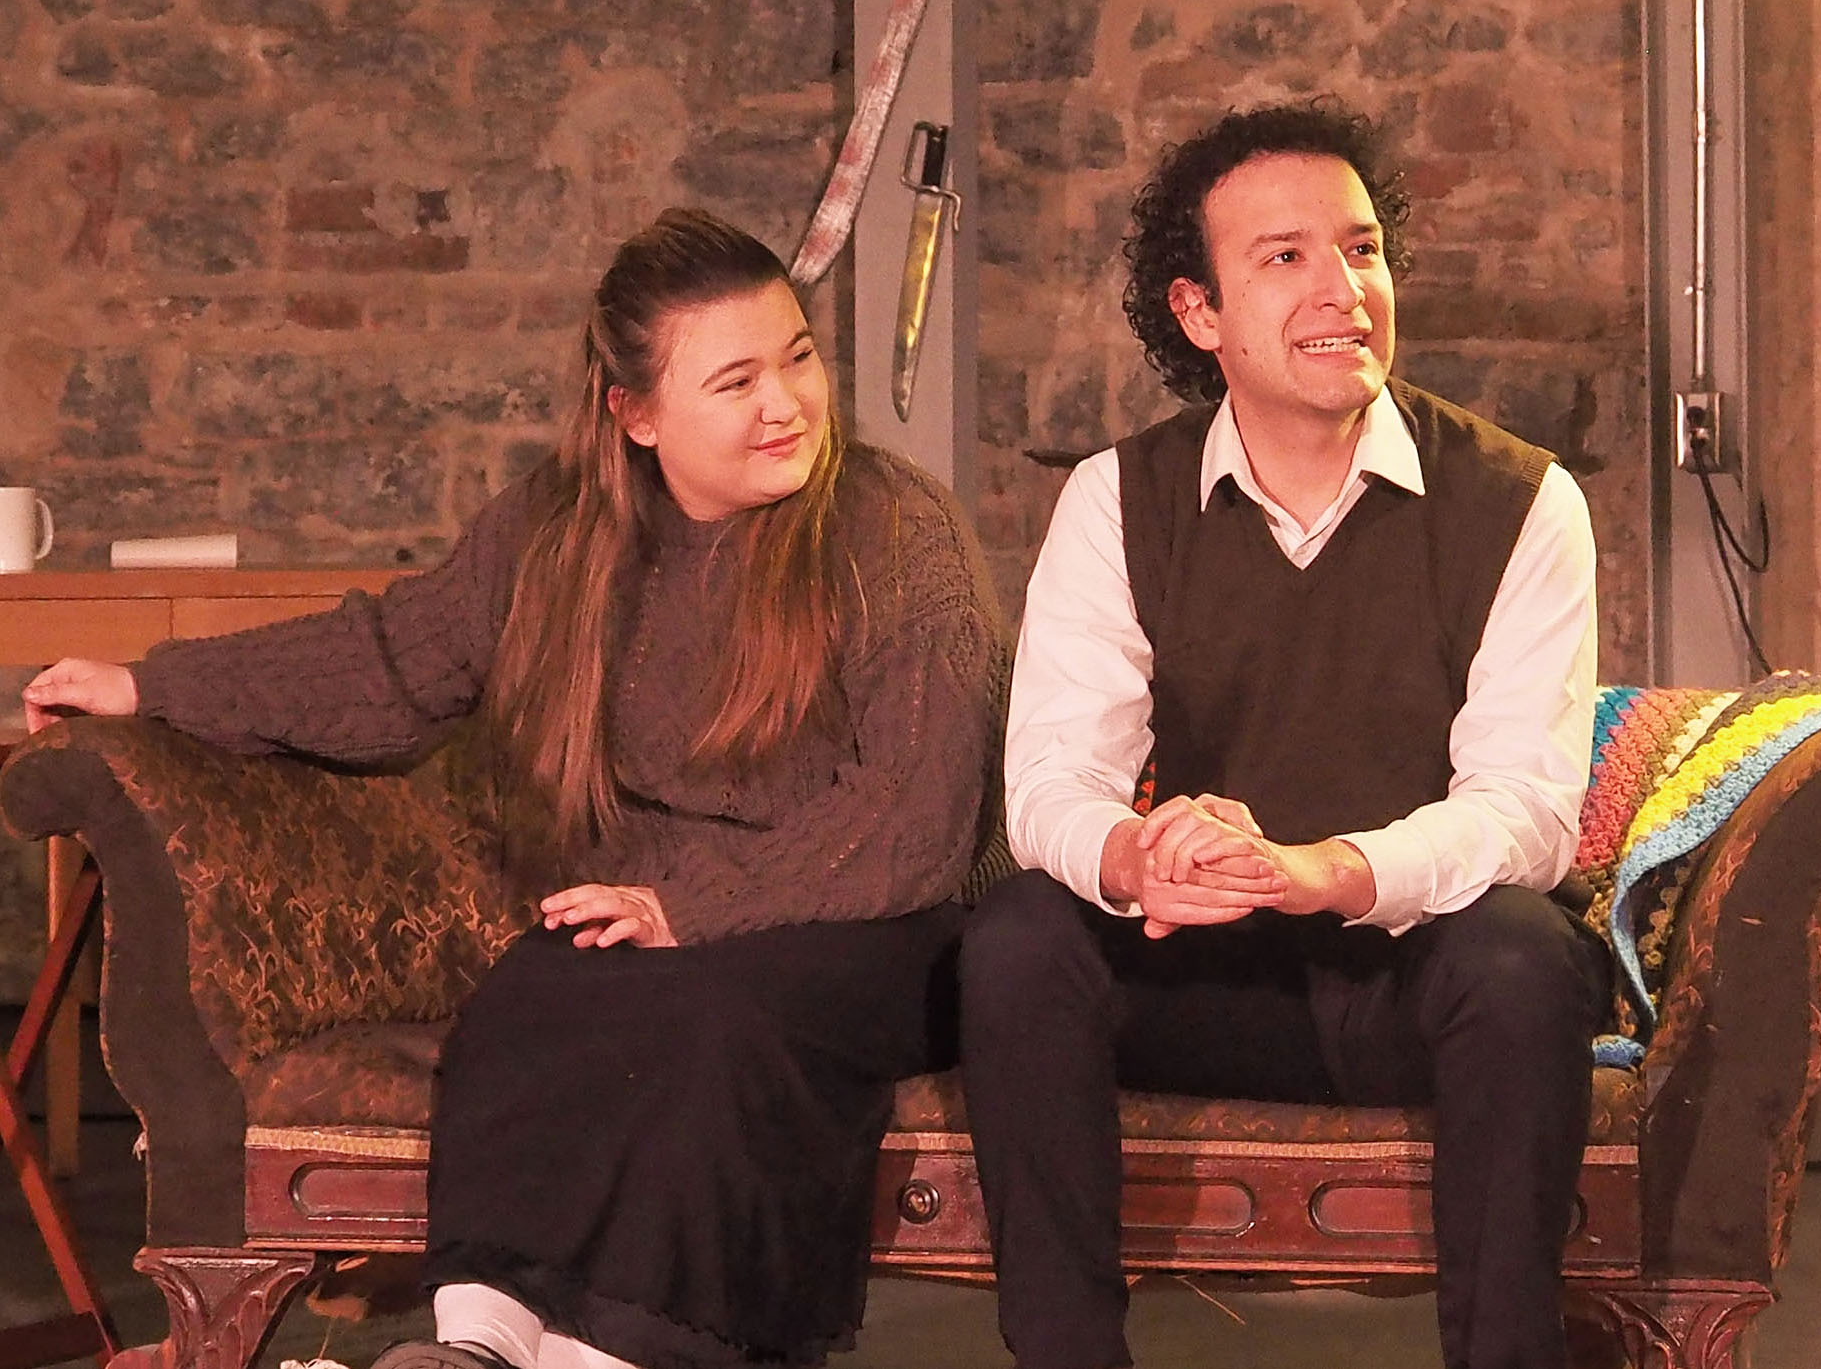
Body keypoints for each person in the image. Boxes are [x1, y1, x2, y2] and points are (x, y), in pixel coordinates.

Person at [24, 209, 1006, 1369]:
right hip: (662, 925)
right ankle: (475, 1344)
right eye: (735, 379)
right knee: (531, 992)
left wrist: (686, 909)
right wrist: (151, 685)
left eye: (796, 358)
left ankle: (616, 1359)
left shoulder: (894, 525)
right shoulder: (560, 531)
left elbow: (919, 811)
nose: (785, 404)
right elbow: (390, 662)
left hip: (882, 925)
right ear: (633, 414)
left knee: (714, 1022)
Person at [957, 100, 1608, 1369]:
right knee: (1020, 936)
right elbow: (1046, 778)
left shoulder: (1522, 500)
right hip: (1204, 970)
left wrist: (1323, 871)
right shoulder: (1118, 497)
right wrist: (1140, 856)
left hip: (1414, 977)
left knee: (1524, 956)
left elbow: (1527, 811)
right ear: (1197, 314)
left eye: (1360, 251)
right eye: (1285, 257)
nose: (1342, 292)